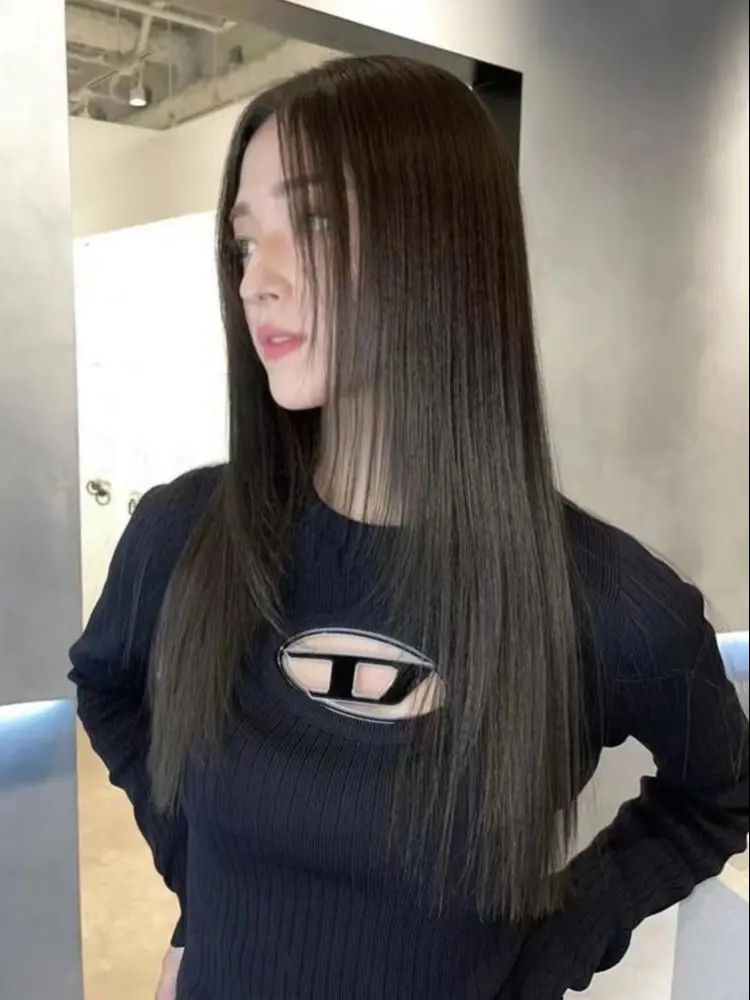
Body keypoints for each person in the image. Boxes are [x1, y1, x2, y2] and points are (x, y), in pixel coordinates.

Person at [69, 55, 749, 1000]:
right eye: (243, 242)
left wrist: (552, 946)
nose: (256, 281)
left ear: (443, 245)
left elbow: (718, 793)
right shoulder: (184, 535)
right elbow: (105, 687)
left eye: (312, 221)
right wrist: (207, 882)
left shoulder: (605, 604)